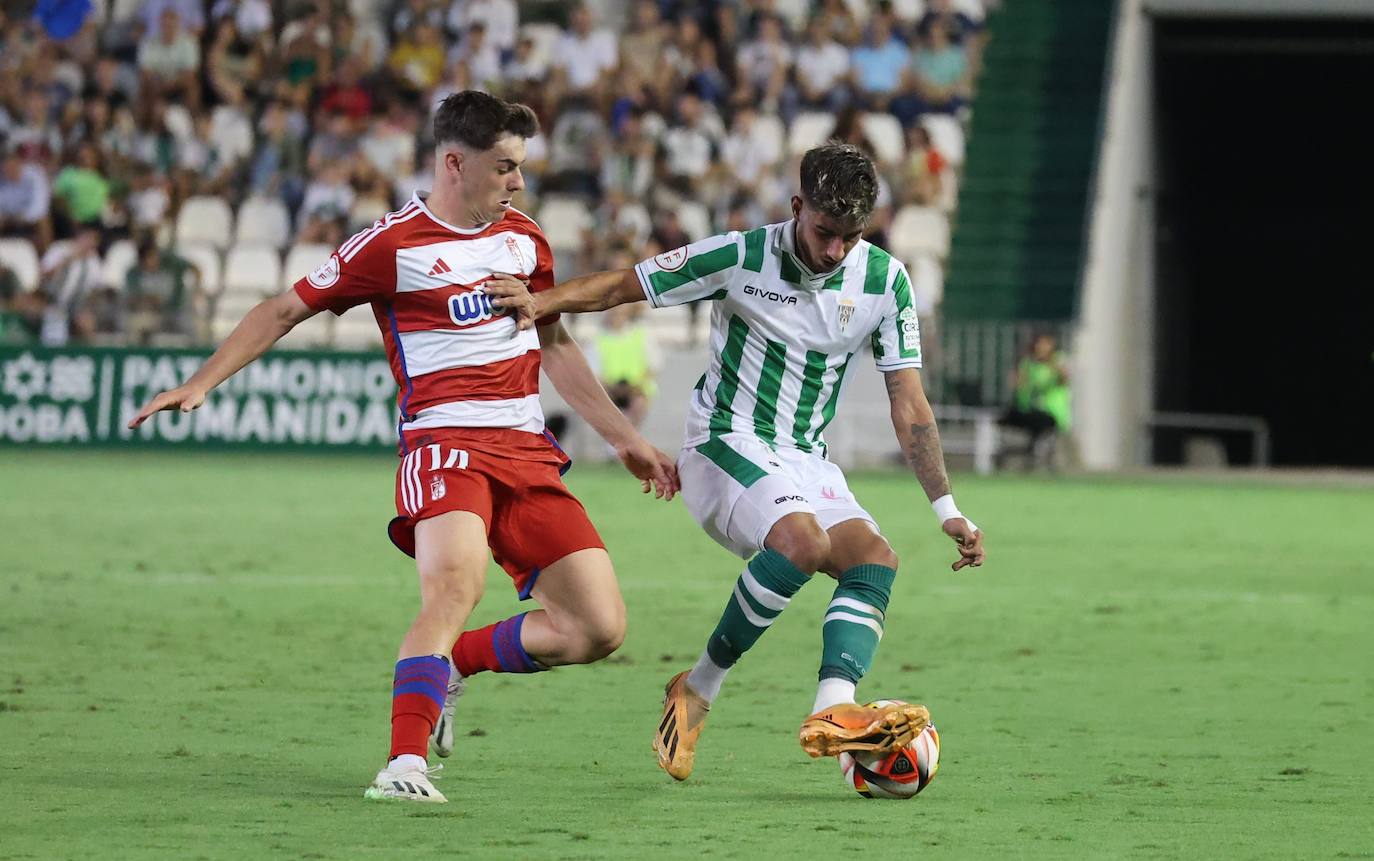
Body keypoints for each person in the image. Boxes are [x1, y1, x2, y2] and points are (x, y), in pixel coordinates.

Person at [128, 91, 680, 804]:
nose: (517, 182)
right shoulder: (391, 244)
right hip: (445, 444)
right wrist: (200, 381)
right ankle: (403, 764)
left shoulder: (525, 240)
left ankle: (452, 667)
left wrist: (625, 436)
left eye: (520, 167)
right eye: (505, 166)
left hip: (527, 449)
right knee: (455, 585)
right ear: (455, 162)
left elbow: (555, 342)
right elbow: (284, 307)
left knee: (598, 626)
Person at [488, 144, 986, 781]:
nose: (836, 250)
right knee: (802, 542)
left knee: (874, 561)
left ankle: (833, 710)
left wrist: (946, 508)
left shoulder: (885, 281)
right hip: (724, 444)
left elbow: (908, 400)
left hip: (805, 459)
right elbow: (624, 284)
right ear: (797, 206)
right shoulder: (739, 256)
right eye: (825, 231)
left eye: (850, 236)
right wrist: (541, 302)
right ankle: (699, 690)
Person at [1000, 332, 1071, 469]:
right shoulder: (1028, 364)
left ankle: (1036, 453)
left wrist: (1053, 364)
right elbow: (1020, 386)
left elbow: (1064, 379)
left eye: (1045, 344)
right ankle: (1012, 454)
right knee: (1010, 415)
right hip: (1030, 410)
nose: (1041, 348)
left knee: (1039, 421)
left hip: (1051, 413)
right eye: (1039, 344)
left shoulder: (1057, 362)